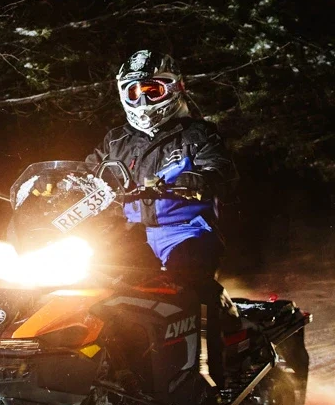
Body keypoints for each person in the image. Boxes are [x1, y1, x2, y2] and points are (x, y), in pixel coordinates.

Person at [87, 50, 233, 378]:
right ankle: (107, 372)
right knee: (96, 285)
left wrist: (197, 179)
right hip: (131, 232)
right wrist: (56, 190)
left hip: (187, 230)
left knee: (189, 287)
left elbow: (220, 169)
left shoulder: (197, 134)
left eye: (152, 91)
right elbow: (88, 174)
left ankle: (211, 377)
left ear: (174, 88)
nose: (142, 100)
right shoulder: (116, 142)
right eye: (134, 92)